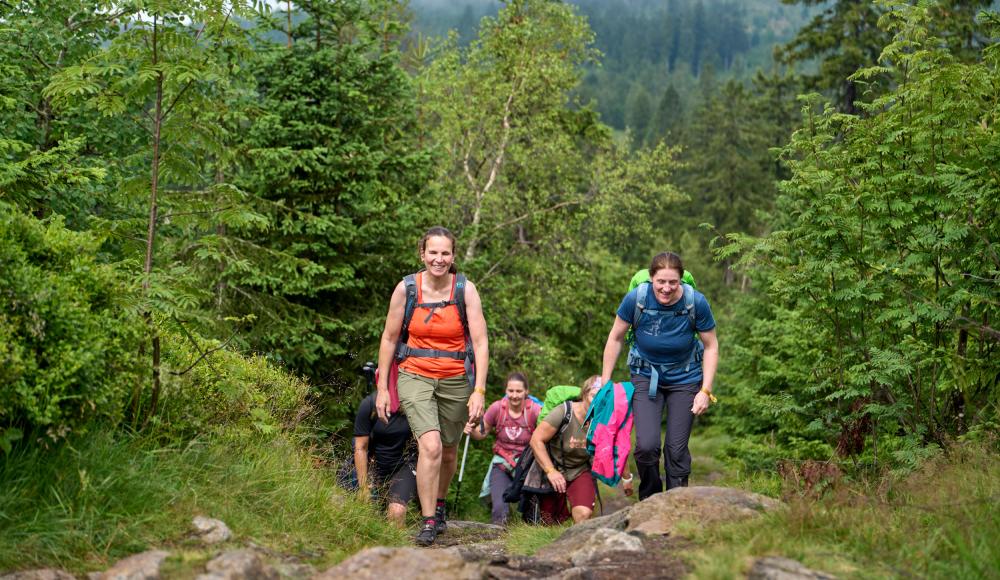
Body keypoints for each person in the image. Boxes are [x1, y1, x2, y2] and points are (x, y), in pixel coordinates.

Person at [376, 226, 489, 546]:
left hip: (455, 377)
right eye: (433, 253)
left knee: (449, 451)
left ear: (453, 256)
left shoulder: (465, 290)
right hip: (414, 373)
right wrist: (384, 388)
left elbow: (480, 343)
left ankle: (438, 505)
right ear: (422, 254)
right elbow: (388, 338)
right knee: (431, 446)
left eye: (445, 253)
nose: (438, 259)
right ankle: (427, 520)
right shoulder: (406, 289)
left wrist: (479, 390)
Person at [600, 252, 719, 499]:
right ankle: (651, 500)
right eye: (661, 282)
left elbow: (711, 346)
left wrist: (705, 391)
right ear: (651, 278)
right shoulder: (637, 299)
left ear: (681, 281)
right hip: (645, 375)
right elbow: (615, 337)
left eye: (673, 282)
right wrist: (605, 380)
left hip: (686, 378)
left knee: (676, 450)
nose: (666, 288)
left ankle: (676, 502)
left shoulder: (695, 302)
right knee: (646, 447)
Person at [528, 376, 634, 524]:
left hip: (581, 469)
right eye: (594, 396)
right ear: (584, 395)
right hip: (554, 466)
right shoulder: (564, 412)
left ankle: (579, 541)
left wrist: (627, 478)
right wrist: (551, 471)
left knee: (583, 514)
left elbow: (618, 448)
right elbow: (536, 440)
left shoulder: (606, 419)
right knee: (548, 521)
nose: (598, 401)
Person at [463, 372, 541, 525]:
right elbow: (481, 434)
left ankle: (529, 536)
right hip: (502, 463)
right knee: (499, 509)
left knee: (531, 511)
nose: (514, 395)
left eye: (519, 391)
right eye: (510, 391)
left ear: (526, 392)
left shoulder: (535, 411)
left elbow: (544, 437)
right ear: (506, 390)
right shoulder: (497, 408)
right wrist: (471, 430)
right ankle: (498, 535)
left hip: (527, 465)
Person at [353, 393, 418, 527]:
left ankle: (396, 546)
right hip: (374, 465)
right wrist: (363, 487)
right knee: (362, 513)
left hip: (405, 466)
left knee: (396, 513)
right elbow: (360, 447)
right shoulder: (370, 404)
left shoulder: (417, 404)